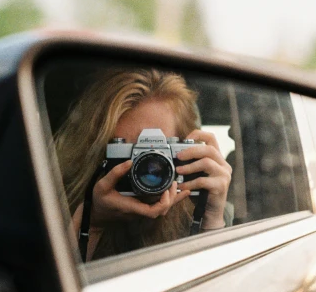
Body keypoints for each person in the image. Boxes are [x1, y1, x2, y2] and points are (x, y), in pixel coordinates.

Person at [53, 68, 232, 261]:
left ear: (184, 152)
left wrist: (211, 218)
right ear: (98, 155)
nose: (148, 166)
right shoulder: (54, 210)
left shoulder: (196, 209)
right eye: (129, 151)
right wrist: (94, 221)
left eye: (159, 151)